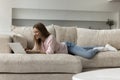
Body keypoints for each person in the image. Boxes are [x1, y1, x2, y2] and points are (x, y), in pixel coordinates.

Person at [26, 22, 118, 59]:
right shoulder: (38, 40)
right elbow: (35, 49)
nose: (35, 34)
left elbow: (49, 53)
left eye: (37, 32)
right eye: (34, 32)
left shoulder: (51, 38)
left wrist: (37, 52)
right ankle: (105, 46)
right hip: (66, 51)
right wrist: (30, 51)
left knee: (88, 55)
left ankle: (100, 49)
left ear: (42, 31)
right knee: (85, 49)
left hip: (68, 47)